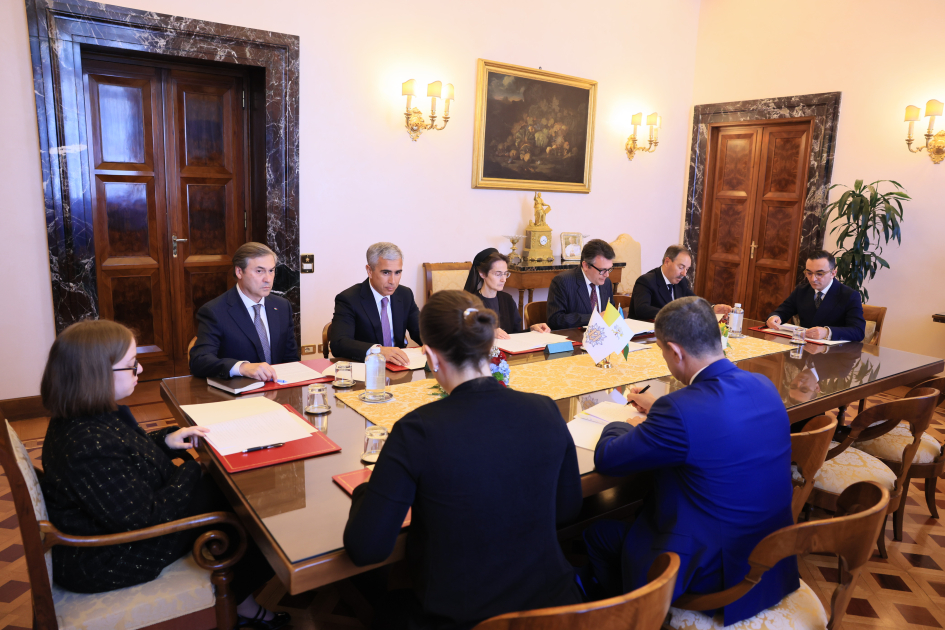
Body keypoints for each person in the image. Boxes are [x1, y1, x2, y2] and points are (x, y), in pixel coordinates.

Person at [343, 291, 583, 630]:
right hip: (555, 611)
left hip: (461, 615)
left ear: (429, 356)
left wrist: (367, 490)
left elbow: (366, 548)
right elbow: (567, 508)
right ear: (489, 346)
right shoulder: (544, 408)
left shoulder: (417, 430)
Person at [40, 320, 289, 629]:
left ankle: (242, 596)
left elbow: (124, 455)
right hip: (112, 556)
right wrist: (197, 466)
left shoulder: (87, 415)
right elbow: (147, 517)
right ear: (96, 374)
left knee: (240, 488)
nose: (140, 370)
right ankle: (240, 597)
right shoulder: (86, 443)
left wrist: (167, 440)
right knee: (254, 506)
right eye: (132, 364)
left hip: (118, 525)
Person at [580, 297, 798, 626]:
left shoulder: (679, 410)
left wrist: (622, 423)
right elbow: (711, 421)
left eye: (662, 352)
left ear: (675, 351)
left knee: (596, 533)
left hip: (715, 574)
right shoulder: (763, 384)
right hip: (769, 560)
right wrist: (660, 411)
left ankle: (633, 618)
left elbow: (609, 459)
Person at [190, 242, 299, 380]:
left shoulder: (282, 306)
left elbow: (291, 359)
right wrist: (241, 367)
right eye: (259, 271)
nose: (268, 279)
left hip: (278, 387)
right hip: (238, 389)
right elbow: (199, 361)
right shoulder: (214, 311)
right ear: (239, 272)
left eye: (271, 271)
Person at [329, 242, 422, 365]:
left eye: (397, 273)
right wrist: (378, 351)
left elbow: (420, 331)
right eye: (386, 273)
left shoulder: (405, 294)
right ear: (369, 271)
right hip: (366, 369)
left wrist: (434, 345)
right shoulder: (349, 299)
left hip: (400, 367)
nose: (393, 281)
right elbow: (339, 343)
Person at [766, 250, 866, 342]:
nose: (813, 279)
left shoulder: (850, 295)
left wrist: (827, 332)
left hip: (834, 352)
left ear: (833, 273)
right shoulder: (802, 290)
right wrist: (775, 317)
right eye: (809, 273)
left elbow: (858, 331)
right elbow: (782, 311)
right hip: (803, 348)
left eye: (819, 274)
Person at [464, 248, 551, 338]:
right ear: (482, 274)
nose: (504, 279)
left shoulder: (507, 299)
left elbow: (515, 334)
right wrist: (489, 332)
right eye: (498, 274)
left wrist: (531, 330)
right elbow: (466, 338)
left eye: (505, 273)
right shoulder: (471, 303)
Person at [628, 245, 732, 320]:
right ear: (667, 262)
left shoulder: (681, 282)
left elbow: (694, 300)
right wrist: (677, 313)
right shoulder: (646, 281)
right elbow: (642, 309)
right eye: (681, 267)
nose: (684, 273)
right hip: (643, 336)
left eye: (687, 269)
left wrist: (712, 308)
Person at [546, 239, 616, 329]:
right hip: (574, 336)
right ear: (586, 266)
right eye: (602, 270)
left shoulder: (606, 282)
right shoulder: (563, 282)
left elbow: (609, 313)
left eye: (609, 269)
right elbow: (555, 320)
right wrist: (594, 318)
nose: (607, 275)